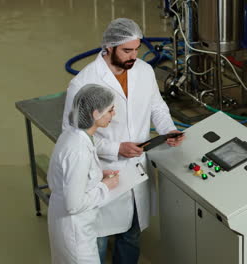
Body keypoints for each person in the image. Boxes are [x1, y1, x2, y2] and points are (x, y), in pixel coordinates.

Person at [62, 18, 185, 264]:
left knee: (132, 233)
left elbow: (156, 105)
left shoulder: (143, 70)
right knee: (97, 237)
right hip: (102, 170)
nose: (133, 56)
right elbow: (71, 135)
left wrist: (168, 130)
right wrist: (115, 148)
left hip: (137, 168)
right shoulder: (83, 83)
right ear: (108, 47)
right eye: (126, 50)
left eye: (136, 49)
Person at [48, 84, 120, 264]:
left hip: (65, 223)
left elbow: (68, 175)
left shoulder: (72, 134)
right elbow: (73, 204)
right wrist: (105, 186)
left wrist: (97, 175)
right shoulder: (79, 150)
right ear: (96, 114)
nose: (113, 114)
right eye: (110, 110)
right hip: (75, 230)